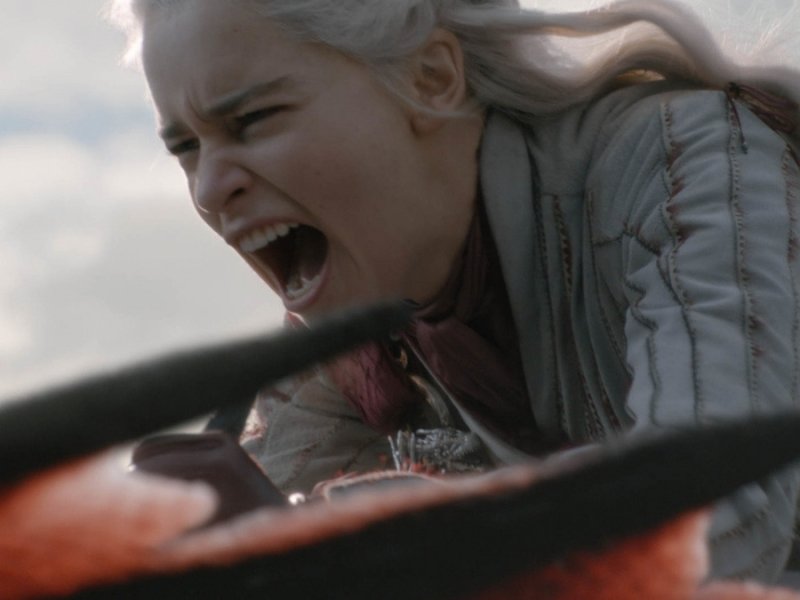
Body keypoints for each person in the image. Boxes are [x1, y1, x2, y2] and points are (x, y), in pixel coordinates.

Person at [107, 0, 800, 582]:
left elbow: (715, 518)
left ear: (432, 78)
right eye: (187, 148)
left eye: (254, 119)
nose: (209, 188)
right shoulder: (344, 353)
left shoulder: (678, 160)